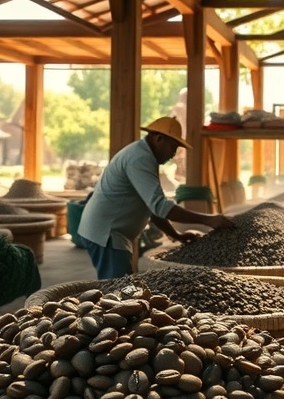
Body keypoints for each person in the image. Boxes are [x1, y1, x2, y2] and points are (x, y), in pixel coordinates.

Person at [79, 116, 233, 279]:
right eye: (173, 147)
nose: (173, 154)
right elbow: (160, 206)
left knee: (121, 288)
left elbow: (152, 208)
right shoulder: (139, 158)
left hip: (109, 231)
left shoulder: (144, 156)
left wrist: (175, 235)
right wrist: (208, 220)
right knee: (119, 291)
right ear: (159, 139)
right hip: (107, 233)